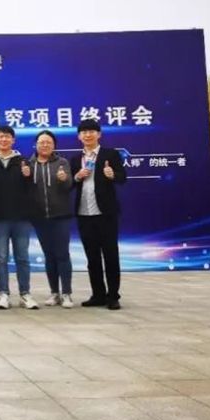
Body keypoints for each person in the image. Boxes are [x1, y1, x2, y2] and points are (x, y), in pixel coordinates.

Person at [70, 119, 127, 310]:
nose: (88, 135)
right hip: (84, 213)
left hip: (106, 213)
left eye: (91, 131)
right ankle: (98, 294)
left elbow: (123, 178)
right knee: (92, 258)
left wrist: (112, 175)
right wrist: (77, 176)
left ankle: (113, 296)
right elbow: (69, 184)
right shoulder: (75, 159)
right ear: (79, 136)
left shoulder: (110, 154)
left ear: (99, 134)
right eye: (84, 132)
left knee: (110, 255)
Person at [0, 125, 38, 310]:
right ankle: (3, 294)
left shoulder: (23, 162)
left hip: (21, 219)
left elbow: (32, 190)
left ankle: (25, 294)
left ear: (13, 140)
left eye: (7, 137)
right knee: (1, 258)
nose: (4, 140)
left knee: (22, 258)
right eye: (0, 137)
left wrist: (28, 176)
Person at [28, 130, 74, 308]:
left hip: (61, 216)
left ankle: (67, 293)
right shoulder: (29, 164)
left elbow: (69, 186)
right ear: (36, 145)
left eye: (48, 142)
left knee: (62, 254)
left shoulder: (62, 163)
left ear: (54, 145)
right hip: (39, 217)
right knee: (49, 255)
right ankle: (54, 293)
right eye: (42, 142)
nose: (45, 145)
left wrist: (64, 179)